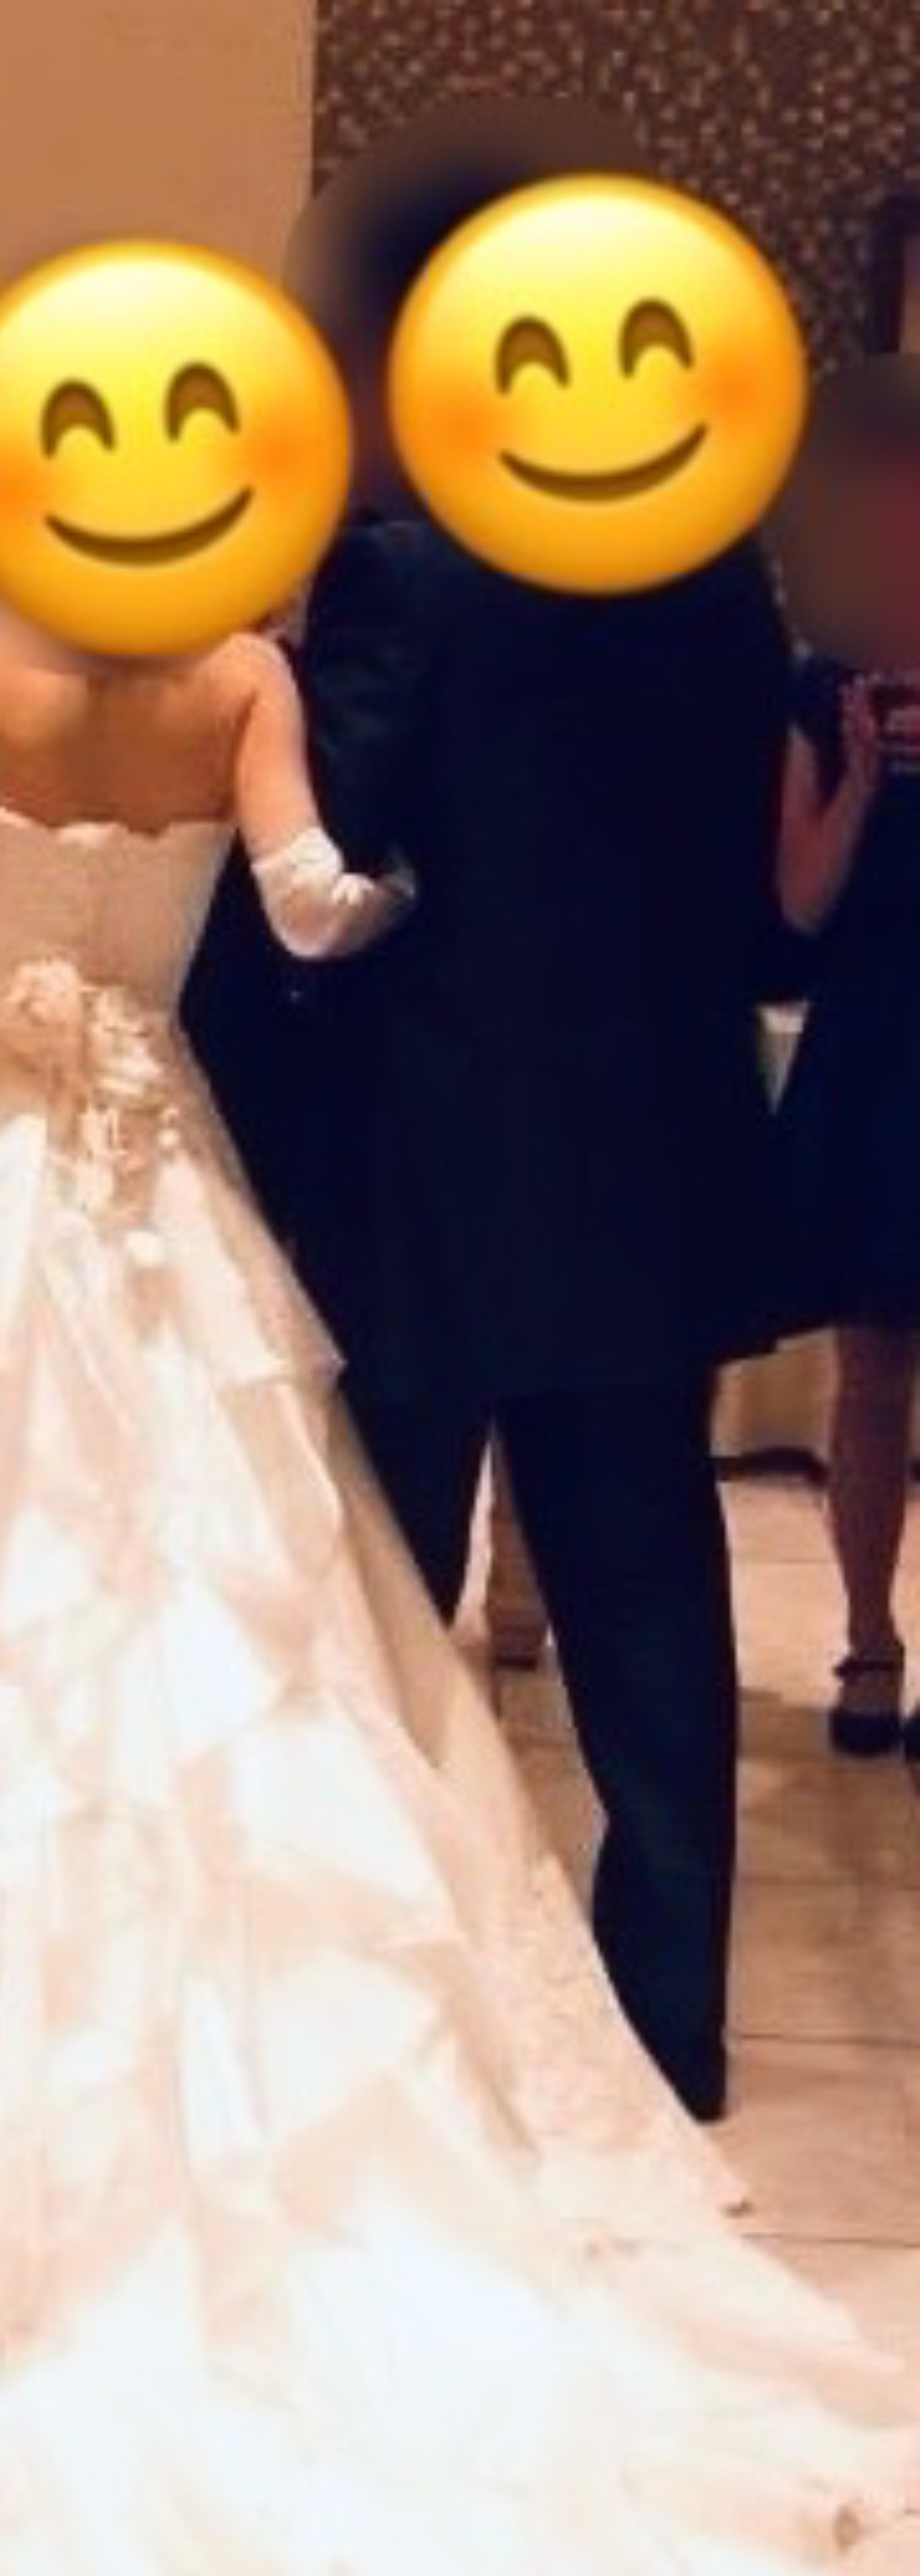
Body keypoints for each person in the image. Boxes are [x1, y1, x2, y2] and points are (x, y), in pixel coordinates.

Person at [0, 605, 912, 2576]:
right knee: (271, 1601)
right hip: (203, 1164)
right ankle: (554, 2076)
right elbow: (314, 905)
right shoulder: (256, 675)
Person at [272, 105, 793, 2124]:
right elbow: (737, 876)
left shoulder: (400, 571)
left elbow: (327, 863)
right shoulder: (714, 577)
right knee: (644, 1597)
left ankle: (386, 2018)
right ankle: (670, 2033)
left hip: (428, 1163)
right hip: (651, 1148)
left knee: (386, 1599)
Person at [775, 368, 920, 1761]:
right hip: (877, 1039)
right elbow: (799, 903)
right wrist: (866, 778)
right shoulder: (822, 683)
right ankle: (868, 1639)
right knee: (870, 1368)